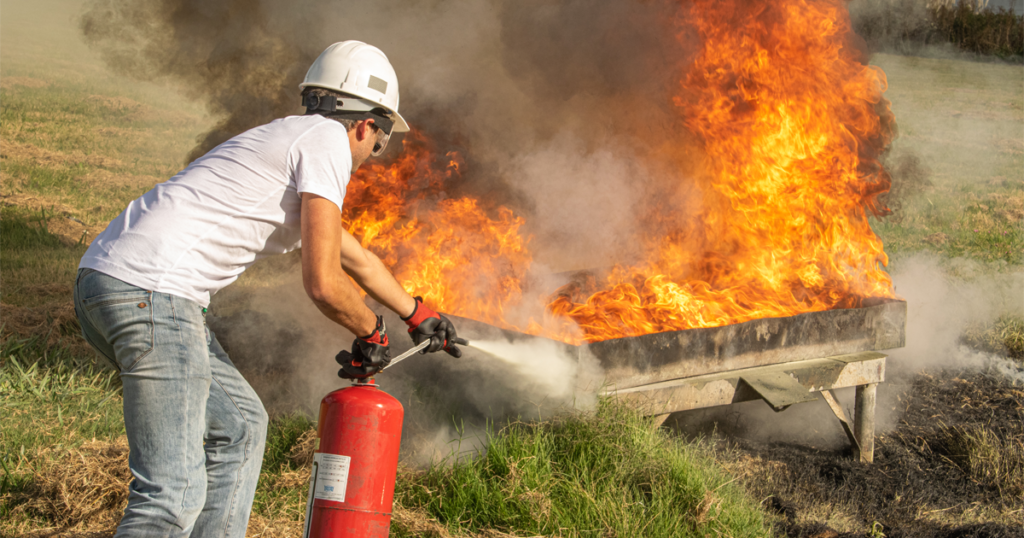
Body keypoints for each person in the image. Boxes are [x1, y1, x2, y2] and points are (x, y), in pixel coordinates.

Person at [72, 40, 465, 538]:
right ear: (366, 125)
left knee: (239, 427)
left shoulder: (292, 141)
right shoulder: (326, 144)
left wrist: (416, 314)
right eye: (380, 144)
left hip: (112, 284)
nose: (373, 156)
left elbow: (356, 259)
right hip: (152, 294)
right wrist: (372, 331)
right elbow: (323, 282)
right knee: (170, 497)